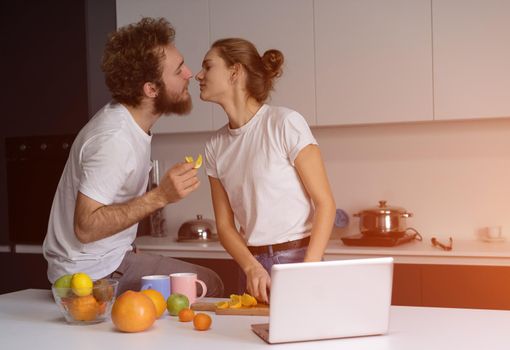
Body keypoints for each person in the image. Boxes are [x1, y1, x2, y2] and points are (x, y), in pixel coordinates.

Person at [43, 17, 224, 297]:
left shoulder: (130, 124)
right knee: (208, 284)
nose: (189, 73)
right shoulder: (114, 139)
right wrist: (161, 195)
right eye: (178, 70)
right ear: (150, 89)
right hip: (91, 277)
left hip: (104, 263)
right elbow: (86, 227)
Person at [195, 38, 336, 303]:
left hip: (299, 260)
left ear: (234, 72)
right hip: (251, 268)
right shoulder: (214, 146)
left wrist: (309, 268)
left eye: (208, 67)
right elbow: (225, 226)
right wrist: (251, 266)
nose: (198, 75)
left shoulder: (284, 123)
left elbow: (325, 203)